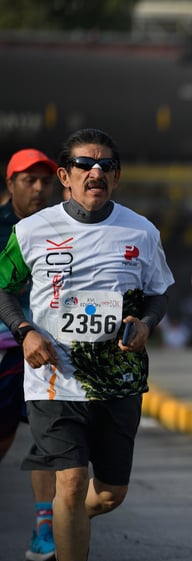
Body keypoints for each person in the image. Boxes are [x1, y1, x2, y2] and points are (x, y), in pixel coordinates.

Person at [0, 128, 175, 561]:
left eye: (106, 166)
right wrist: (25, 331)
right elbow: (3, 288)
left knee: (110, 494)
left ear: (116, 177)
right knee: (71, 483)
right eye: (84, 164)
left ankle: (66, 520)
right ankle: (67, 523)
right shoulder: (33, 231)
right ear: (65, 175)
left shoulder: (142, 232)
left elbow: (159, 292)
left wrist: (147, 322)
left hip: (119, 381)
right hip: (53, 379)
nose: (95, 172)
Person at [0, 149, 58, 561]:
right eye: (28, 180)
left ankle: (45, 530)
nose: (38, 189)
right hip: (5, 351)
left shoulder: (59, 225)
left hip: (48, 353)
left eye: (44, 181)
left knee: (47, 441)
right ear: (11, 184)